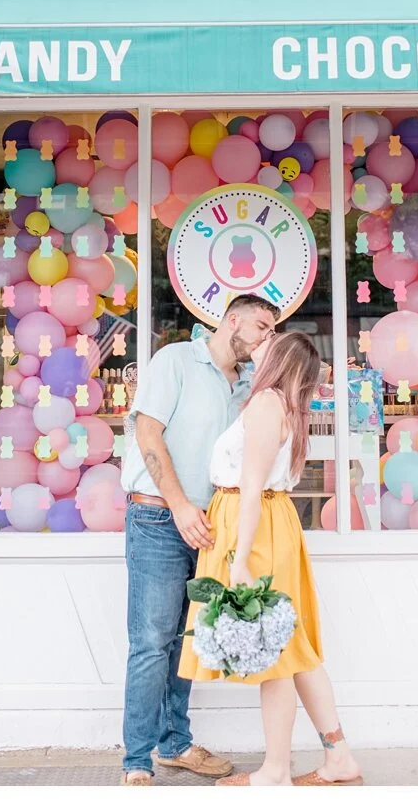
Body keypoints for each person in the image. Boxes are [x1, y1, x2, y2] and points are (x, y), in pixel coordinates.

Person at [179, 332, 363, 787]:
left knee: (276, 653)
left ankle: (276, 770)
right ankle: (338, 756)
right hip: (268, 523)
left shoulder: (267, 404)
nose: (260, 341)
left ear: (279, 358)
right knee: (292, 648)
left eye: (269, 339)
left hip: (255, 526)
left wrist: (240, 559)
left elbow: (251, 488)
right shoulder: (284, 406)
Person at [120, 295, 280, 786]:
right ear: (232, 320)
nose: (266, 337)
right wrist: (180, 505)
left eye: (272, 330)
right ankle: (137, 760)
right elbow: (148, 434)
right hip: (158, 518)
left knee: (186, 641)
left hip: (214, 526)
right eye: (261, 326)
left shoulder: (251, 384)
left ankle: (176, 744)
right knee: (151, 643)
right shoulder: (176, 360)